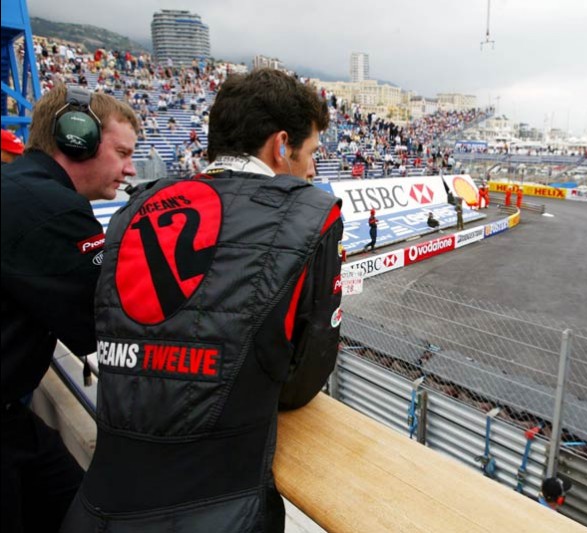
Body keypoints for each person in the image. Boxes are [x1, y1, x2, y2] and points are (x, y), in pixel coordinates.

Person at [61, 68, 343, 533]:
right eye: (311, 153)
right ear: (280, 145)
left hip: (98, 504)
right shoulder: (309, 213)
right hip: (221, 509)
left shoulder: (132, 208)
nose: (313, 170)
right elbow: (302, 380)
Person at [1, 84, 138, 533]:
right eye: (121, 152)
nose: (129, 169)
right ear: (75, 138)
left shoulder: (20, 187)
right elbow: (103, 322)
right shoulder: (53, 210)